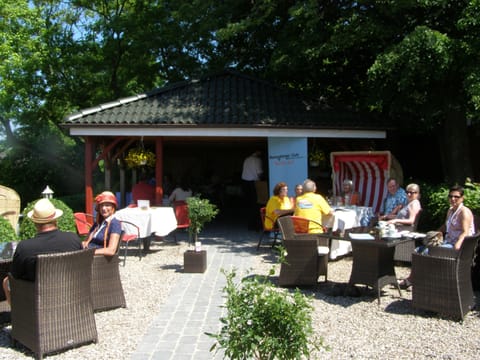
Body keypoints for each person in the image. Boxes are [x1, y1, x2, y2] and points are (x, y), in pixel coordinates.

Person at [2, 198, 82, 305]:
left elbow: (15, 276)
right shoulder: (73, 239)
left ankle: (19, 314)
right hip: (70, 296)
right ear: (55, 219)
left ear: (35, 222)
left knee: (6, 281)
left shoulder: (25, 247)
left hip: (38, 303)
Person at [398, 185, 474, 289]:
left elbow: (465, 232)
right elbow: (446, 225)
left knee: (425, 252)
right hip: (447, 243)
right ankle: (414, 278)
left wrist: (457, 245)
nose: (453, 199)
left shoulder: (464, 212)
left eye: (456, 197)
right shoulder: (451, 210)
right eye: (451, 196)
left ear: (462, 198)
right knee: (417, 250)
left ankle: (419, 281)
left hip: (457, 248)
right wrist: (436, 232)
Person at [82, 191, 122, 256]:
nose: (103, 208)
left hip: (96, 258)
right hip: (87, 254)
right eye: (101, 205)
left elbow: (111, 250)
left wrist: (88, 252)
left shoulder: (115, 224)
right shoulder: (98, 223)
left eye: (107, 205)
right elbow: (86, 241)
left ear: (113, 207)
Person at [241, 150, 263, 230]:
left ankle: (250, 224)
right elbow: (259, 173)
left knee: (249, 204)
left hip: (245, 182)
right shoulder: (257, 160)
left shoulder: (247, 159)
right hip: (254, 183)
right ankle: (255, 225)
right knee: (256, 204)